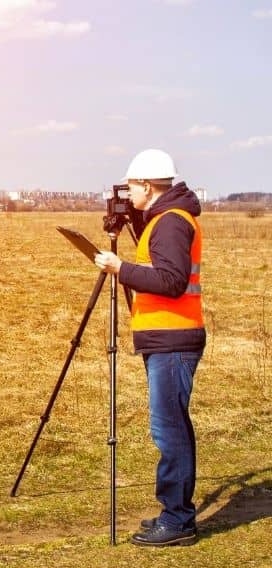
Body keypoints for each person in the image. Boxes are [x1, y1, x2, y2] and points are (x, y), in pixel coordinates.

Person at [95, 149, 206, 547]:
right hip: (167, 337)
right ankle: (174, 512)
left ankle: (177, 520)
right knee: (171, 425)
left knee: (169, 428)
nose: (129, 194)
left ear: (146, 184)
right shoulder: (164, 220)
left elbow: (172, 281)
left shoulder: (172, 223)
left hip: (173, 338)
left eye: (132, 186)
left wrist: (119, 268)